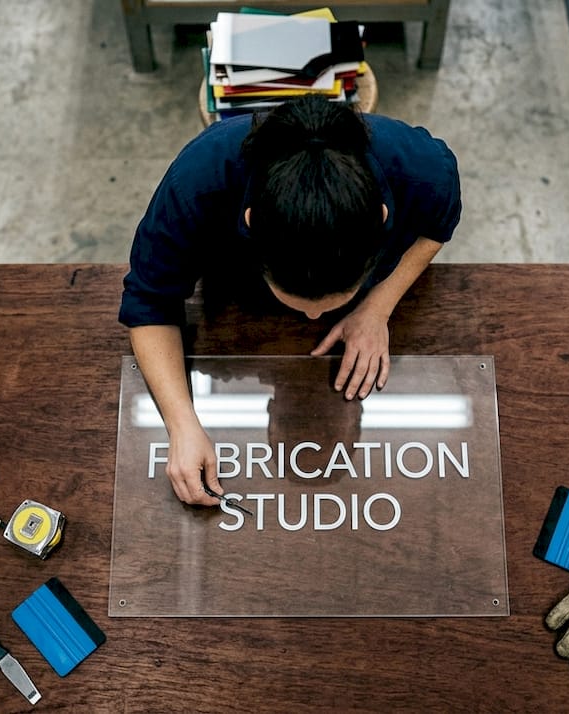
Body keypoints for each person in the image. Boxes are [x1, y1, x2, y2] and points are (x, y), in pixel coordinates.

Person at [120, 95, 461, 508]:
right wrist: (181, 424)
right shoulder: (198, 179)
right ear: (250, 222)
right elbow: (149, 300)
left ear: (383, 217)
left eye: (336, 297)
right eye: (299, 300)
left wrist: (376, 307)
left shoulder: (416, 165)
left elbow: (442, 218)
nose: (316, 315)